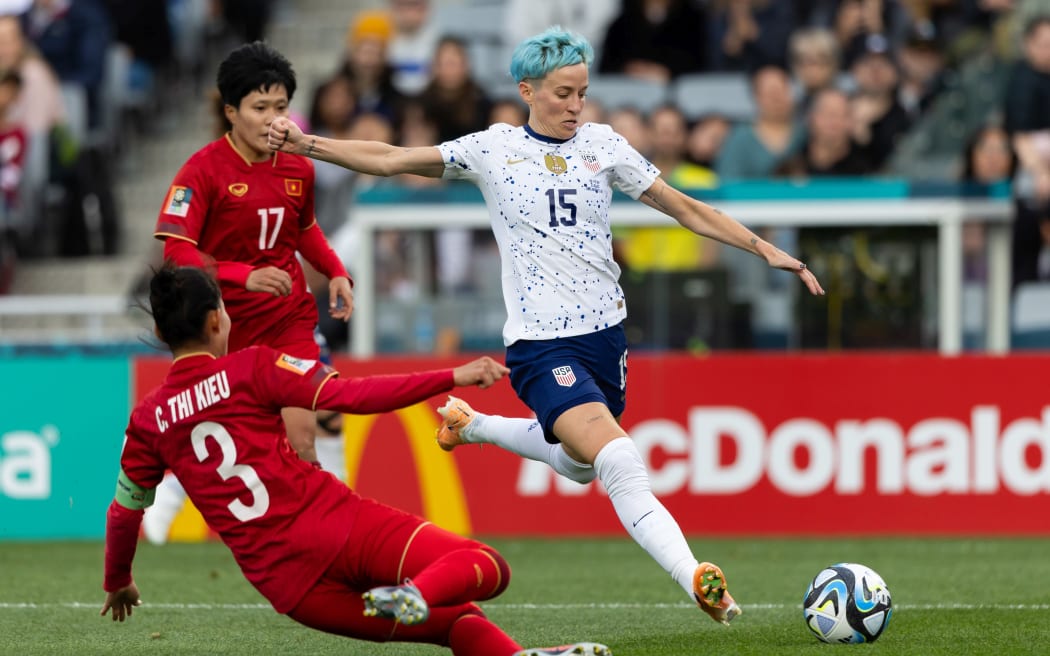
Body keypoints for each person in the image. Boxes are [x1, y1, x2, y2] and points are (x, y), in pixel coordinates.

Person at [267, 26, 825, 626]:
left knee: (580, 463)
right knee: (617, 460)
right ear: (527, 89)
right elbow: (393, 158)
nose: (575, 106)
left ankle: (472, 424)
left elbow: (683, 206)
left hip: (607, 337)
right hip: (540, 344)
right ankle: (693, 575)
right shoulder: (494, 147)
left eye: (582, 93)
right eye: (562, 93)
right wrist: (309, 145)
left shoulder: (604, 145)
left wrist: (762, 247)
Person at [100, 263, 610, 656]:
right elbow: (354, 396)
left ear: (164, 335)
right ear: (217, 318)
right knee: (485, 566)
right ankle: (414, 593)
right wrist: (449, 377)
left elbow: (124, 512)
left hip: (289, 586)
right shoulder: (251, 367)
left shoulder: (148, 418)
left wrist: (118, 580)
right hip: (334, 525)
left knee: (458, 620)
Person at [154, 41, 352, 467]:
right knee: (238, 452)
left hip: (288, 320)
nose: (272, 120)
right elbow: (176, 250)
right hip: (224, 327)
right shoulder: (201, 171)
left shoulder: (299, 166)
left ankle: (325, 530)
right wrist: (243, 276)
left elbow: (305, 229)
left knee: (303, 443)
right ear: (231, 112)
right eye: (260, 108)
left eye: (280, 107)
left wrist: (335, 270)